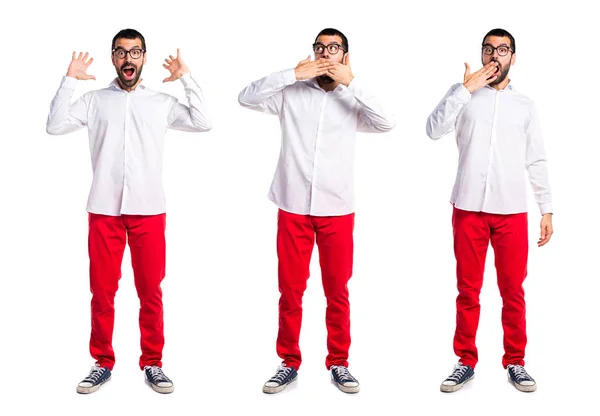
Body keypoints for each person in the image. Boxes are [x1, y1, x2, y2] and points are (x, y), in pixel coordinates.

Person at [46, 28, 212, 394]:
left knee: (150, 290)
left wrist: (186, 79)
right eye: (121, 53)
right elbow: (54, 126)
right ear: (113, 58)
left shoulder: (160, 102)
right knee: (102, 292)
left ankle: (153, 362)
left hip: (149, 211)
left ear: (144, 59)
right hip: (103, 209)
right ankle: (102, 362)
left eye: (135, 53)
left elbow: (203, 121)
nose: (128, 59)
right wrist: (69, 81)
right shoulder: (94, 100)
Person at [239, 27, 395, 394]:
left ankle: (339, 362)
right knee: (290, 291)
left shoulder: (353, 101)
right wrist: (293, 74)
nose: (326, 53)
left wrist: (352, 81)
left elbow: (387, 122)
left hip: (337, 210)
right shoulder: (290, 94)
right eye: (320, 47)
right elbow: (245, 97)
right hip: (292, 206)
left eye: (334, 48)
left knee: (337, 290)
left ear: (346, 56)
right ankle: (288, 362)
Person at [425, 28, 553, 393]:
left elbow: (537, 158)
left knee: (513, 290)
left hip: (511, 210)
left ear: (514, 56)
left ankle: (516, 361)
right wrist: (463, 90)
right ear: (481, 55)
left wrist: (547, 208)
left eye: (502, 49)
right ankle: (465, 361)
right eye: (488, 49)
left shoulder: (525, 105)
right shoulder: (463, 95)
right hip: (468, 207)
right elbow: (432, 130)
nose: (494, 55)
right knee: (468, 290)